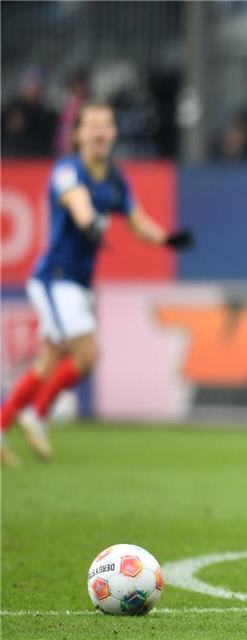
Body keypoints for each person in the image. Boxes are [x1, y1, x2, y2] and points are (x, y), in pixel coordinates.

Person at [0, 103, 192, 465]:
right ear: (78, 135)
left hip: (75, 283)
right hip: (55, 279)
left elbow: (136, 220)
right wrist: (89, 222)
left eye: (106, 125)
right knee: (88, 354)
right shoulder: (67, 170)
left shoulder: (116, 179)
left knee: (47, 362)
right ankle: (36, 415)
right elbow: (77, 201)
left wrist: (167, 240)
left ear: (115, 133)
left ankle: (6, 423)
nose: (100, 132)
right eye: (92, 126)